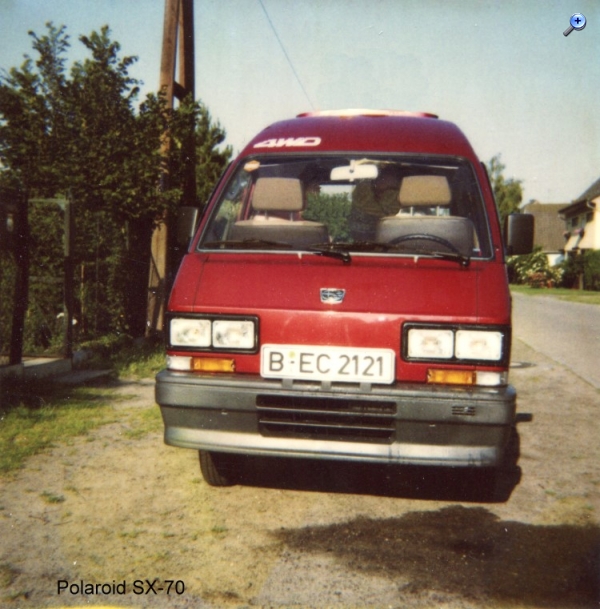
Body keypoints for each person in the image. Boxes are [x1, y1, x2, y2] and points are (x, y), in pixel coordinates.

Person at [349, 166, 401, 241]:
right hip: (362, 233)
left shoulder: (395, 195)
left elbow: (394, 213)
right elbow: (360, 208)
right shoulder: (362, 190)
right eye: (385, 177)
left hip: (388, 234)